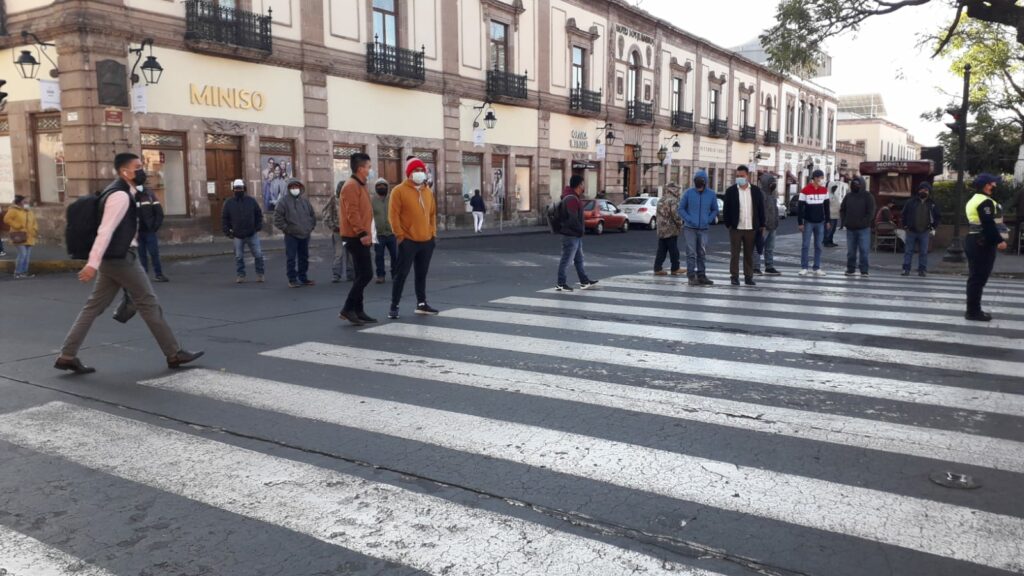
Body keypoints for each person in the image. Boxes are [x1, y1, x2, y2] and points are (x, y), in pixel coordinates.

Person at [54, 153, 203, 374]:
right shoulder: (120, 196)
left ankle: (67, 355)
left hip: (113, 258)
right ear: (125, 172)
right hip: (121, 258)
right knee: (148, 302)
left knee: (93, 306)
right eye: (138, 167)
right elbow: (105, 231)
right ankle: (174, 353)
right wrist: (92, 264)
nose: (143, 170)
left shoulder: (120, 192)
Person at [388, 157, 439, 318]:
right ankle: (394, 306)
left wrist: (432, 234)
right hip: (408, 240)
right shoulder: (398, 191)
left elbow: (432, 214)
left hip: (426, 240)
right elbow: (393, 215)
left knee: (421, 274)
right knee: (401, 274)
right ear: (409, 173)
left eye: (421, 171)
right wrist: (400, 235)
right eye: (415, 171)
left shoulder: (428, 191)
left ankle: (422, 303)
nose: (419, 173)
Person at [337, 153, 376, 325]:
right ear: (361, 169)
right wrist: (362, 234)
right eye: (368, 167)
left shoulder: (361, 185)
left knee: (361, 274)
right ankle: (347, 308)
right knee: (366, 274)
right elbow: (352, 213)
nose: (370, 170)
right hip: (355, 236)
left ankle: (358, 310)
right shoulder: (351, 186)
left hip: (361, 235)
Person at [964, 173, 1008, 321]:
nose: (995, 185)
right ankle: (973, 312)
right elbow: (988, 223)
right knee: (978, 278)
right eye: (993, 183)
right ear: (987, 185)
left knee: (975, 277)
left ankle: (973, 310)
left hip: (974, 239)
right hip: (981, 242)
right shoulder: (985, 201)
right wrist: (999, 240)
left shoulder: (974, 200)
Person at [722, 165, 766, 286]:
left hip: (751, 228)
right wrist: (728, 224)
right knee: (734, 254)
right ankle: (734, 277)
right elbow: (726, 210)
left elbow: (760, 209)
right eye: (737, 176)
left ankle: (748, 276)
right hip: (736, 228)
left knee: (749, 254)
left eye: (742, 176)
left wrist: (762, 225)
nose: (739, 178)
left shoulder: (756, 191)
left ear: (747, 176)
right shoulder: (731, 191)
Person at [554, 174, 597, 292]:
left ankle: (584, 281)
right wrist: (580, 230)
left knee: (578, 260)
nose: (584, 186)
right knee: (566, 259)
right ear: (579, 185)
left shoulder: (572, 197)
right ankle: (561, 283)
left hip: (574, 234)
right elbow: (572, 218)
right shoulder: (572, 199)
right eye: (583, 184)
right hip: (571, 235)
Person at [273, 178, 317, 288]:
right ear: (288, 189)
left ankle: (303, 278)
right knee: (291, 258)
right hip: (291, 235)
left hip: (305, 234)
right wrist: (287, 229)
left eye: (296, 187)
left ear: (300, 188)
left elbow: (312, 215)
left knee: (304, 257)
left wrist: (310, 227)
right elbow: (277, 219)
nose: (295, 189)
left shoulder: (304, 201)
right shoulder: (283, 202)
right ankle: (292, 279)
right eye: (292, 187)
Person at [678, 169, 719, 287]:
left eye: (701, 186)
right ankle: (691, 276)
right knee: (691, 252)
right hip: (690, 228)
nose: (699, 188)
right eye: (697, 186)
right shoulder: (688, 193)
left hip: (704, 228)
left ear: (705, 183)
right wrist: (689, 219)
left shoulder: (711, 194)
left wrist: (709, 219)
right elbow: (681, 209)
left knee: (702, 253)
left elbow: (715, 209)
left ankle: (701, 275)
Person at [221, 178, 265, 283]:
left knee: (258, 255)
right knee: (239, 257)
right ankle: (241, 275)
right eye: (236, 188)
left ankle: (260, 274)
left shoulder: (251, 201)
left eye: (240, 188)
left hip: (251, 233)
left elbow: (258, 214)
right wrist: (228, 232)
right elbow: (224, 218)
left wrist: (258, 226)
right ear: (233, 190)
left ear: (244, 189)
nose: (238, 190)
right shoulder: (229, 203)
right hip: (237, 235)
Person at [900, 181, 941, 277]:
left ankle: (922, 270)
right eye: (922, 189)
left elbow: (938, 216)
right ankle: (906, 269)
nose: (923, 191)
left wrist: (933, 227)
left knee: (923, 252)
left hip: (925, 231)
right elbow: (904, 214)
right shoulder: (911, 202)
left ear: (929, 191)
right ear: (918, 190)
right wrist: (905, 226)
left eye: (926, 190)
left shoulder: (932, 204)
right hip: (911, 230)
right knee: (908, 251)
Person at [839, 176, 875, 277]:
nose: (856, 186)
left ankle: (864, 270)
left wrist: (864, 222)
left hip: (863, 228)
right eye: (854, 184)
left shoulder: (868, 196)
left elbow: (871, 212)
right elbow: (842, 209)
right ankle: (851, 269)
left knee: (864, 250)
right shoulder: (848, 196)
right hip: (850, 228)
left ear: (862, 184)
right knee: (851, 251)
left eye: (858, 184)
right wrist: (845, 221)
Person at [798, 169, 830, 276]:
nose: (821, 179)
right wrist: (800, 223)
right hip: (808, 222)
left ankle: (816, 267)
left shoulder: (824, 190)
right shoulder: (805, 190)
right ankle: (804, 267)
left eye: (822, 177)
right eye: (820, 177)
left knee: (818, 245)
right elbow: (800, 208)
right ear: (815, 178)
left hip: (820, 222)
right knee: (805, 245)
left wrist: (828, 221)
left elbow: (826, 207)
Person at [135, 185, 168, 282]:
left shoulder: (149, 195)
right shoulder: (131, 195)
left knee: (154, 253)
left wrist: (154, 227)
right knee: (141, 255)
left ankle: (158, 274)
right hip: (138, 232)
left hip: (149, 231)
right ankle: (143, 276)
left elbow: (159, 213)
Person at [322, 182, 354, 283]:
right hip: (338, 231)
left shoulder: (352, 199)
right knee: (338, 254)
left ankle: (351, 274)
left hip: (349, 232)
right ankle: (336, 275)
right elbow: (326, 214)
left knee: (351, 254)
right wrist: (333, 226)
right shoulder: (333, 200)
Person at [4, 195, 38, 279]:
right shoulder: (13, 210)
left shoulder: (29, 211)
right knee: (23, 254)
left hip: (30, 235)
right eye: (25, 201)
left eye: (27, 202)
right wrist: (17, 226)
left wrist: (35, 229)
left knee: (27, 256)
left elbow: (34, 221)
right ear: (19, 202)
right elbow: (6, 219)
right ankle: (18, 272)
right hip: (19, 235)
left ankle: (24, 272)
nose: (27, 203)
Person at [653, 182, 683, 276]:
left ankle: (657, 268)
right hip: (671, 229)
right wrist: (680, 224)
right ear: (674, 190)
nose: (679, 192)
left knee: (661, 249)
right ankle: (675, 268)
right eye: (678, 189)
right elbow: (675, 215)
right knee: (673, 249)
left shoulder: (662, 199)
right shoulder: (673, 200)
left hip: (661, 228)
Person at [372, 177, 398, 283]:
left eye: (383, 186)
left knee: (395, 256)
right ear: (376, 188)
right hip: (379, 234)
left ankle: (395, 275)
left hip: (392, 233)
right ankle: (380, 275)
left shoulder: (392, 199)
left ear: (387, 188)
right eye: (379, 186)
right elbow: (369, 216)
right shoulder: (372, 201)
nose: (381, 188)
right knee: (379, 256)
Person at [757, 173, 782, 275]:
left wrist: (776, 221)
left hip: (772, 226)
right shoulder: (761, 194)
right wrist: (762, 224)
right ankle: (756, 267)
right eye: (772, 183)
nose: (773, 184)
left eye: (774, 183)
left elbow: (775, 209)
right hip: (764, 226)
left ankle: (769, 266)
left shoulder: (773, 194)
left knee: (770, 248)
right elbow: (761, 211)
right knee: (759, 248)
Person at [823, 176, 848, 248]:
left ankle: (830, 240)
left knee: (833, 229)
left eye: (835, 188)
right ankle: (826, 242)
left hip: (835, 215)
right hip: (830, 215)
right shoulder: (827, 195)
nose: (835, 189)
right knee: (829, 229)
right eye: (834, 187)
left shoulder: (834, 194)